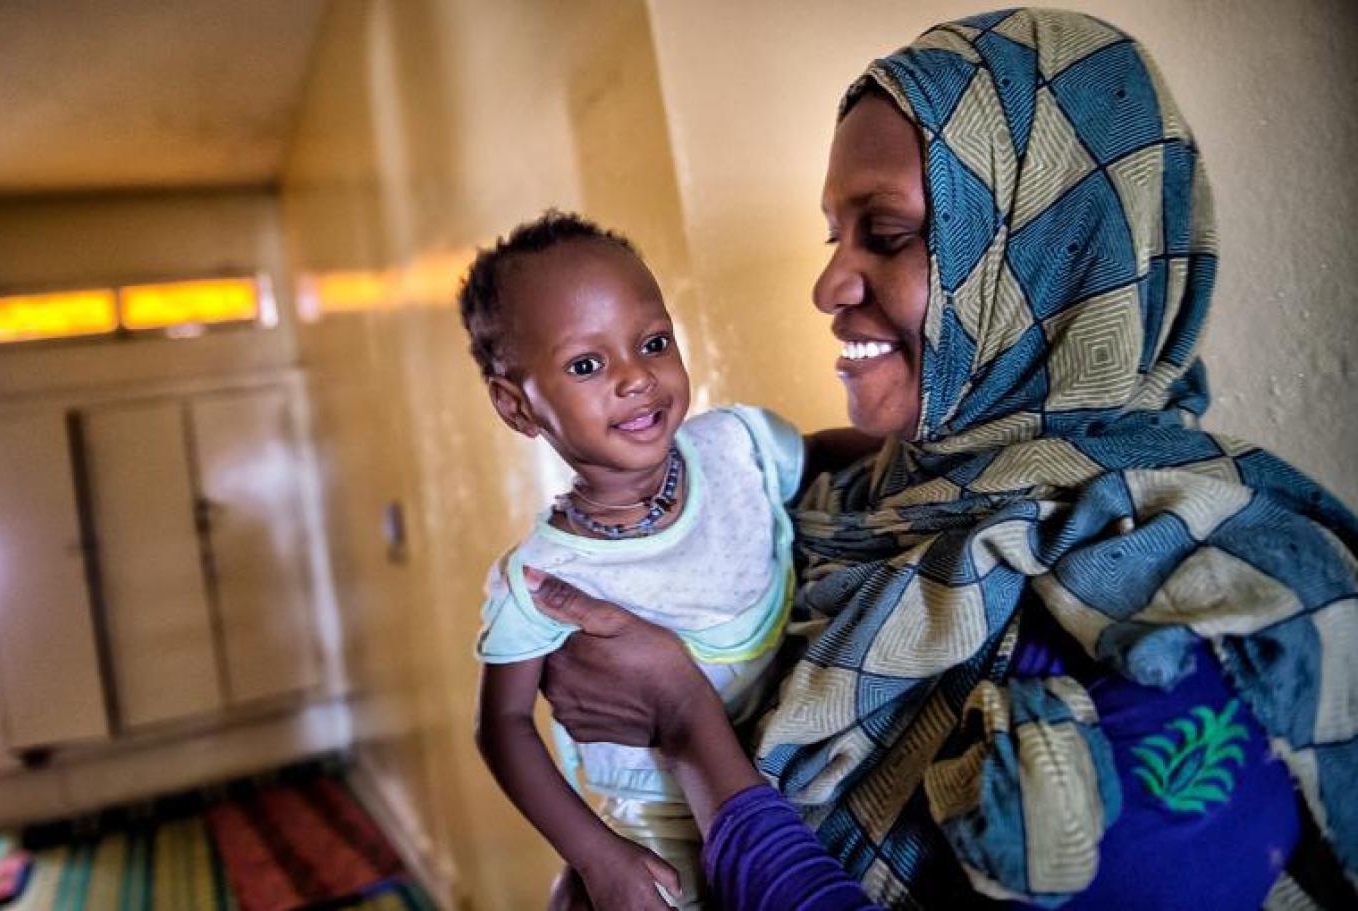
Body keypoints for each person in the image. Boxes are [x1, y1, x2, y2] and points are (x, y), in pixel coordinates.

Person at [527, 9, 1358, 910]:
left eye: (886, 234)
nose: (828, 286)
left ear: (1056, 256)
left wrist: (688, 727)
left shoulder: (1198, 618)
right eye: (834, 236)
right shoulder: (857, 507)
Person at [462, 212, 874, 910]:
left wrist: (923, 450)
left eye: (653, 343)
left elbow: (824, 457)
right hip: (660, 830)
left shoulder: (738, 446)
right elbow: (501, 725)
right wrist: (597, 856)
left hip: (806, 772)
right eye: (586, 365)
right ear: (516, 406)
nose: (636, 377)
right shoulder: (543, 577)